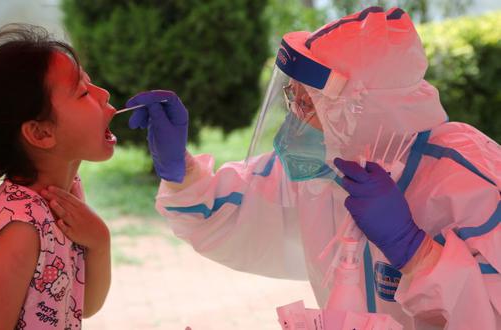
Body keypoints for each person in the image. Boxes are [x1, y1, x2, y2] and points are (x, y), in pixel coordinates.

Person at [127, 7, 500, 330]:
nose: (295, 119)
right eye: (293, 97)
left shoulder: (466, 178)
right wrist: (181, 173)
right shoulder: (326, 169)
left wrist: (417, 252)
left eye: (310, 104)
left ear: (366, 112)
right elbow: (231, 214)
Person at [0, 24, 116, 329]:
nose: (103, 94)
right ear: (40, 133)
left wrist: (99, 242)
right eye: (82, 92)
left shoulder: (65, 196)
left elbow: (82, 305)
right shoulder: (20, 228)